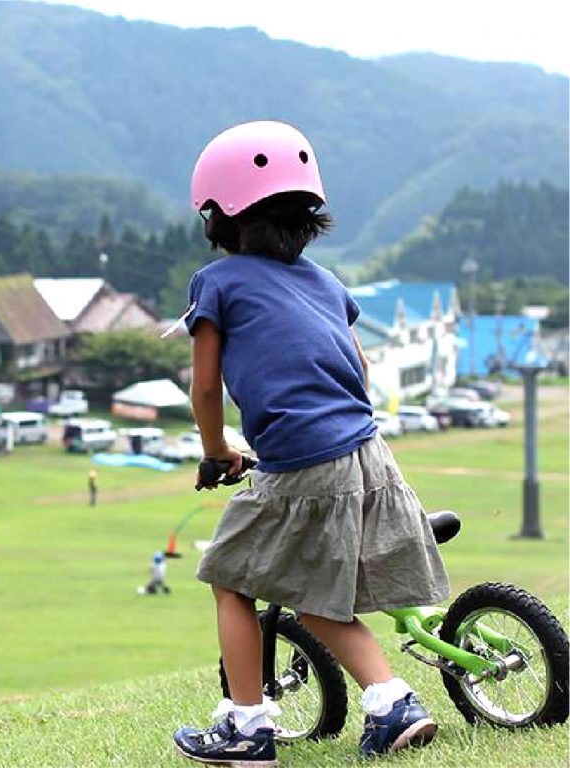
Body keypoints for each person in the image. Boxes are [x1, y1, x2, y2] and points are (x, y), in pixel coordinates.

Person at [171, 121, 450, 766]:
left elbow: (206, 388)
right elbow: (359, 367)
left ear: (220, 214)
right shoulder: (326, 283)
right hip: (366, 452)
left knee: (231, 576)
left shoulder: (218, 282)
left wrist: (216, 452)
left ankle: (246, 726)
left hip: (303, 462)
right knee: (315, 591)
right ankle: (391, 703)